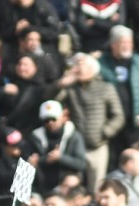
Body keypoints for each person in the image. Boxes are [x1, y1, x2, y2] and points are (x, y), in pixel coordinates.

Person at [52, 52, 125, 189]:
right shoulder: (71, 89)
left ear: (92, 69)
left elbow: (118, 115)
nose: (77, 69)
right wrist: (61, 85)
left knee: (96, 186)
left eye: (81, 66)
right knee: (72, 185)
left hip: (98, 146)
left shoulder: (106, 88)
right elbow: (52, 102)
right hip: (76, 146)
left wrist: (105, 132)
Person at [29, 100, 87, 192]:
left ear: (63, 117)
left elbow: (81, 164)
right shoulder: (36, 136)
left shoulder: (74, 135)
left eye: (53, 118)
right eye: (46, 120)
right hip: (43, 185)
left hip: (67, 186)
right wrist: (41, 160)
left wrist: (61, 158)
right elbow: (33, 160)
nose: (50, 123)